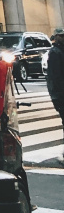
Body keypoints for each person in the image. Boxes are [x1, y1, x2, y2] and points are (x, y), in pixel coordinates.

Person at [46, 27, 64, 155]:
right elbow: (54, 76)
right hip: (60, 94)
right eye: (61, 36)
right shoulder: (55, 52)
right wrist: (55, 96)